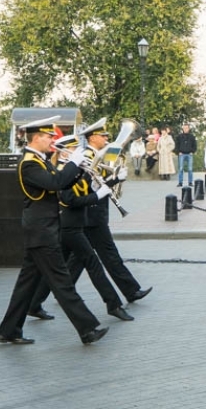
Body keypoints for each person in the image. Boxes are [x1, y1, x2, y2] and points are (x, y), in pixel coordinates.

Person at [0, 115, 108, 345]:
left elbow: (61, 180)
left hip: (43, 229)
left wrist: (78, 168)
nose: (52, 140)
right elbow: (55, 184)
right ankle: (87, 329)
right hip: (41, 231)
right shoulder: (29, 163)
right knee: (63, 283)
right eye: (48, 136)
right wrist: (74, 162)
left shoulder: (39, 159)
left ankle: (8, 330)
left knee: (25, 285)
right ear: (36, 137)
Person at [29, 132, 134, 322]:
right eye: (73, 149)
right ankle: (113, 305)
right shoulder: (60, 172)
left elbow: (89, 188)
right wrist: (98, 196)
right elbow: (71, 200)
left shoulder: (73, 170)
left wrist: (114, 180)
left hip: (75, 225)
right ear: (64, 153)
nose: (78, 152)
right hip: (70, 227)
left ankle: (34, 303)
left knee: (55, 269)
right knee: (94, 265)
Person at [79, 122, 152, 307]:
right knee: (109, 254)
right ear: (92, 138)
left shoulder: (101, 153)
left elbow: (107, 174)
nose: (106, 139)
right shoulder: (87, 156)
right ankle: (131, 290)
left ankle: (46, 294)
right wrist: (113, 181)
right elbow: (91, 185)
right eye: (102, 136)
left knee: (76, 258)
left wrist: (117, 176)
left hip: (98, 211)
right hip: (92, 212)